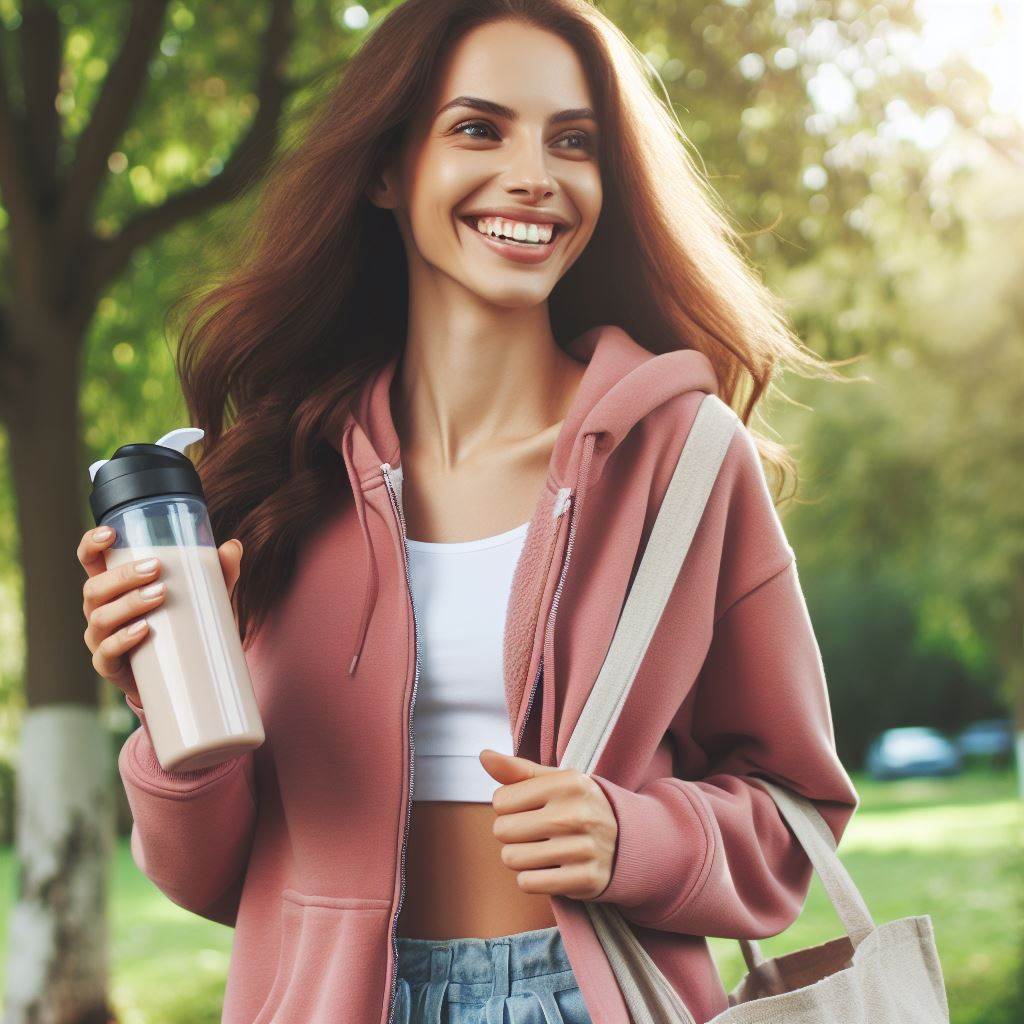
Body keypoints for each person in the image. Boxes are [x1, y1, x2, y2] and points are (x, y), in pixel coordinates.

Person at [78, 1, 860, 1022]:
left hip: (596, 996)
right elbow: (204, 875)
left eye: (571, 141)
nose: (534, 173)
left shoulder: (687, 459)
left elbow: (795, 804)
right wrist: (168, 704)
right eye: (479, 129)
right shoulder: (276, 477)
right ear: (386, 170)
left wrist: (635, 836)